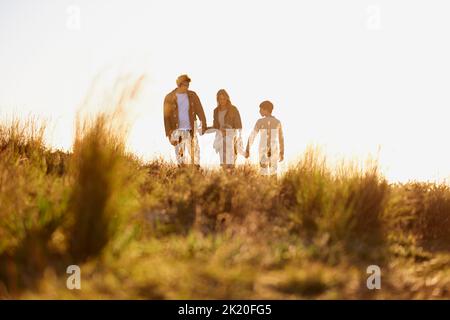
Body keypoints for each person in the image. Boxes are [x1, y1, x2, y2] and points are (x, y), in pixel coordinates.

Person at [163, 74, 207, 166]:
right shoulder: (169, 97)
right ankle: (181, 172)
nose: (186, 87)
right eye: (185, 85)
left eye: (188, 85)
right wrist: (169, 134)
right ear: (179, 84)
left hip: (191, 130)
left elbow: (200, 111)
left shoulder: (193, 95)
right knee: (180, 157)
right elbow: (166, 118)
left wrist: (204, 124)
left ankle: (196, 172)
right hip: (176, 131)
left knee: (195, 155)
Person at [245, 100, 284, 175]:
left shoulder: (260, 121)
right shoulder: (277, 122)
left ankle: (264, 186)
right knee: (273, 173)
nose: (259, 111)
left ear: (266, 110)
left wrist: (247, 149)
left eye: (261, 109)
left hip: (263, 149)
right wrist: (282, 153)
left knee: (263, 173)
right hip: (274, 149)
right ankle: (273, 186)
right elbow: (281, 139)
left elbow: (252, 136)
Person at [212, 89, 244, 168]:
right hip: (220, 138)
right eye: (220, 99)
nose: (222, 101)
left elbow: (238, 125)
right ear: (217, 100)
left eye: (223, 98)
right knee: (223, 163)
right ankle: (225, 179)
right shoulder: (216, 111)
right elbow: (215, 126)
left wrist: (229, 132)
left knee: (231, 163)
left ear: (227, 98)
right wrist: (205, 128)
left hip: (231, 138)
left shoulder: (233, 109)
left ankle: (232, 178)